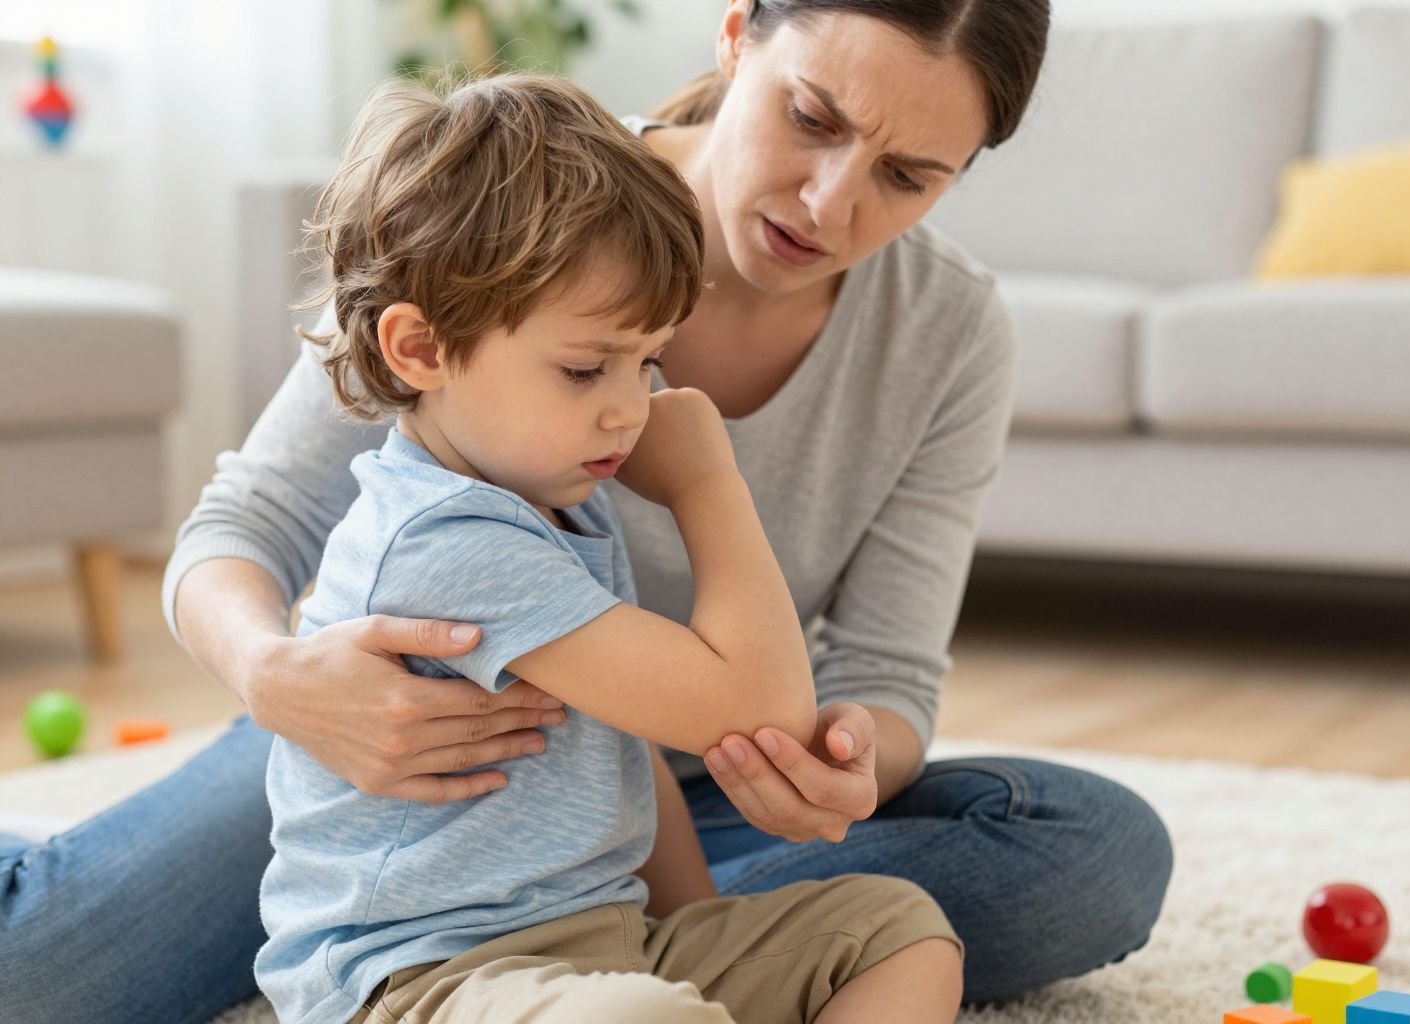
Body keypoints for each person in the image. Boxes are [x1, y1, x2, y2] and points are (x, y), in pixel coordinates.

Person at [0, 3, 1174, 1022]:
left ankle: (575, 949)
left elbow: (884, 674)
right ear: (737, 34)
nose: (831, 201)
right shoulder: (513, 209)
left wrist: (841, 765)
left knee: (1088, 851)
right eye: (812, 117)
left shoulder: (947, 329)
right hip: (399, 756)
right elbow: (247, 520)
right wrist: (276, 676)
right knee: (37, 979)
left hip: (672, 795)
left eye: (907, 176)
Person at [254, 72, 961, 1024]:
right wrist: (708, 484)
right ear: (420, 349)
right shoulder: (446, 539)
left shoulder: (558, 502)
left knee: (897, 929)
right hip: (428, 979)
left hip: (600, 944)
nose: (632, 409)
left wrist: (701, 943)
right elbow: (763, 709)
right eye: (587, 369)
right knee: (643, 1016)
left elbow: (627, 759)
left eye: (649, 361)